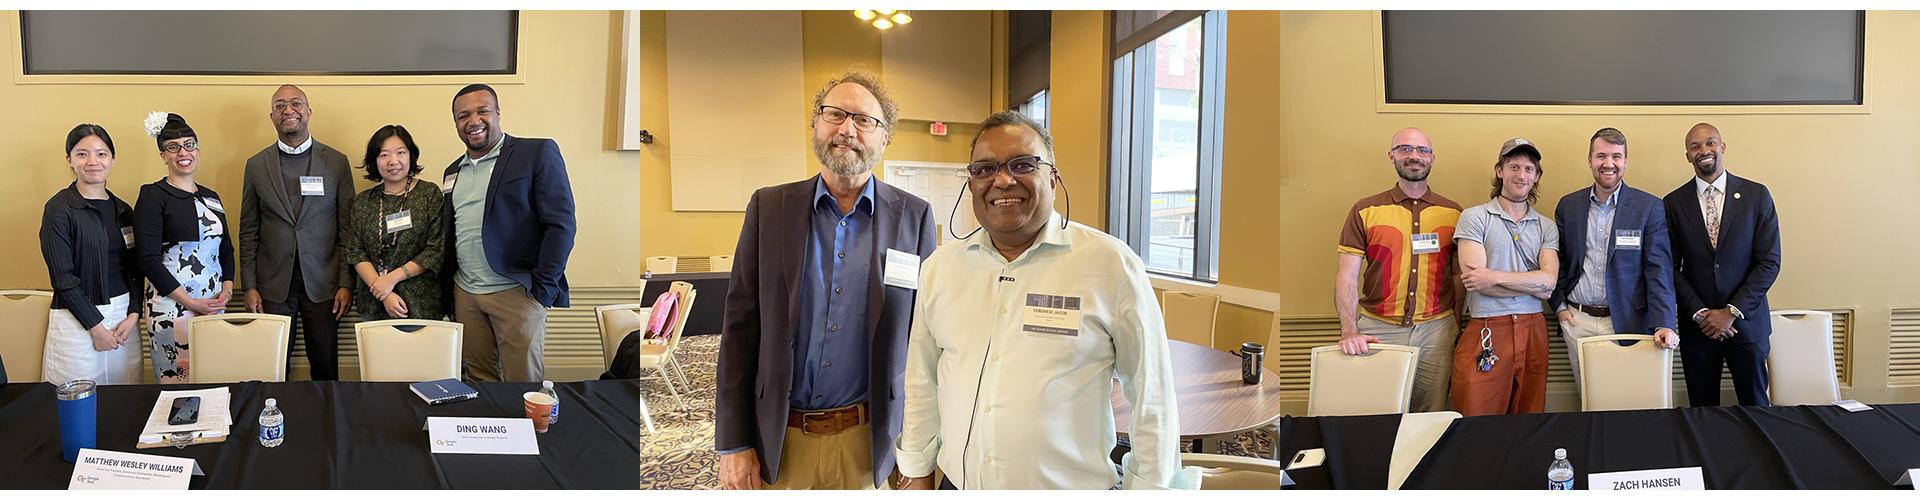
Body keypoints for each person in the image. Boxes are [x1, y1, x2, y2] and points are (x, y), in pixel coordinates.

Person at [894, 111, 1183, 490]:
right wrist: (916, 470)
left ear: (1052, 176)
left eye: (1022, 164)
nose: (1002, 179)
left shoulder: (1110, 266)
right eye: (984, 169)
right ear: (970, 183)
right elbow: (922, 382)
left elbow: (1152, 396)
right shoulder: (940, 270)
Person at [714, 70, 936, 490]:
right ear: (815, 124)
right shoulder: (769, 208)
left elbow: (922, 337)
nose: (847, 129)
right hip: (779, 440)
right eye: (834, 114)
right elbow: (739, 331)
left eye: (864, 120)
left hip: (869, 441)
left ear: (884, 138)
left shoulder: (915, 216)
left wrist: (919, 445)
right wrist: (733, 442)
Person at [441, 83, 576, 383]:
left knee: (523, 384)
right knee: (479, 380)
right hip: (466, 294)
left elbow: (561, 225)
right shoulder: (452, 171)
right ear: (456, 123)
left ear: (498, 113)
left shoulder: (535, 152)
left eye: (482, 111)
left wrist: (541, 289)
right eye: (463, 115)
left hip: (517, 292)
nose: (473, 121)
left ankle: (529, 432)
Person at [1333, 127, 1463, 413]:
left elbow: (1458, 276)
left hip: (1436, 331)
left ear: (1432, 158)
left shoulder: (1454, 213)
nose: (1414, 156)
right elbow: (1347, 276)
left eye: (1422, 150)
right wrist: (1348, 330)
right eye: (1405, 149)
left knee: (1431, 412)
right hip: (1378, 329)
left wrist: (1456, 324)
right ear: (1391, 155)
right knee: (1376, 411)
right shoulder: (1365, 210)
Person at [238, 84, 355, 381]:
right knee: (273, 364)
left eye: (296, 104)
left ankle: (329, 422)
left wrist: (346, 282)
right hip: (273, 283)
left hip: (325, 281)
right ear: (272, 116)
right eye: (280, 105)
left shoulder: (337, 162)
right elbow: (249, 229)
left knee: (325, 361)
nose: (288, 110)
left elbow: (347, 227)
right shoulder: (255, 166)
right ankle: (275, 422)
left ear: (308, 112)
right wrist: (249, 285)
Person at [1550, 127, 1680, 387]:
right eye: (1601, 156)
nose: (1608, 164)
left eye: (1616, 156)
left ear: (1625, 161)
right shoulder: (1569, 205)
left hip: (1627, 321)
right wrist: (1559, 307)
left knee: (1628, 397)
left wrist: (1665, 322)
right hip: (1578, 321)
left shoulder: (1648, 207)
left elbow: (1658, 269)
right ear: (1590, 161)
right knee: (1587, 395)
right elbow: (1559, 260)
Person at [1663, 123, 1781, 407]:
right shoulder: (1672, 203)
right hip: (1698, 328)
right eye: (1695, 146)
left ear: (1722, 147)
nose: (1704, 151)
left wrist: (1731, 312)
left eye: (1710, 143)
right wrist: (1702, 314)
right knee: (1702, 410)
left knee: (1756, 406)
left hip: (1747, 324)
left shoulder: (1756, 195)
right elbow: (1669, 266)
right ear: (1688, 156)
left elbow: (1769, 261)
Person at [1449, 138, 1559, 416]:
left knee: (1529, 414)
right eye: (1514, 167)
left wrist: (1494, 277)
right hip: (1486, 326)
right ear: (1499, 171)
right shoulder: (1474, 217)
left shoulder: (1546, 226)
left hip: (1533, 328)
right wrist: (1532, 283)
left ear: (1537, 177)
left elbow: (1549, 284)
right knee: (1476, 413)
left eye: (1528, 169)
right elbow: (1476, 282)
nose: (1521, 175)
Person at [133, 113, 234, 384]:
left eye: (189, 145)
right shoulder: (153, 195)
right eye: (173, 147)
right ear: (163, 155)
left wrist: (227, 289)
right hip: (172, 307)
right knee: (177, 384)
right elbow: (148, 260)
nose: (183, 152)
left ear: (198, 150)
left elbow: (225, 248)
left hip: (212, 305)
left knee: (212, 378)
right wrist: (190, 303)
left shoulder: (211, 197)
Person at [41, 124, 143, 385]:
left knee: (125, 396)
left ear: (112, 159)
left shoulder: (122, 209)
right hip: (76, 320)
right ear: (70, 160)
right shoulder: (59, 208)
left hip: (123, 320)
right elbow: (62, 278)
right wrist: (95, 327)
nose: (93, 161)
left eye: (101, 153)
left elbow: (134, 269)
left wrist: (134, 314)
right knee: (76, 403)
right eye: (82, 154)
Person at [341, 125, 447, 321]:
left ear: (411, 156)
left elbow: (435, 249)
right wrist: (384, 292)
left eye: (400, 152)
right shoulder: (363, 201)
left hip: (422, 302)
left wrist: (391, 279)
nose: (393, 161)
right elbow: (356, 251)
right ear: (374, 160)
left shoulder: (429, 194)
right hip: (375, 302)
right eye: (384, 155)